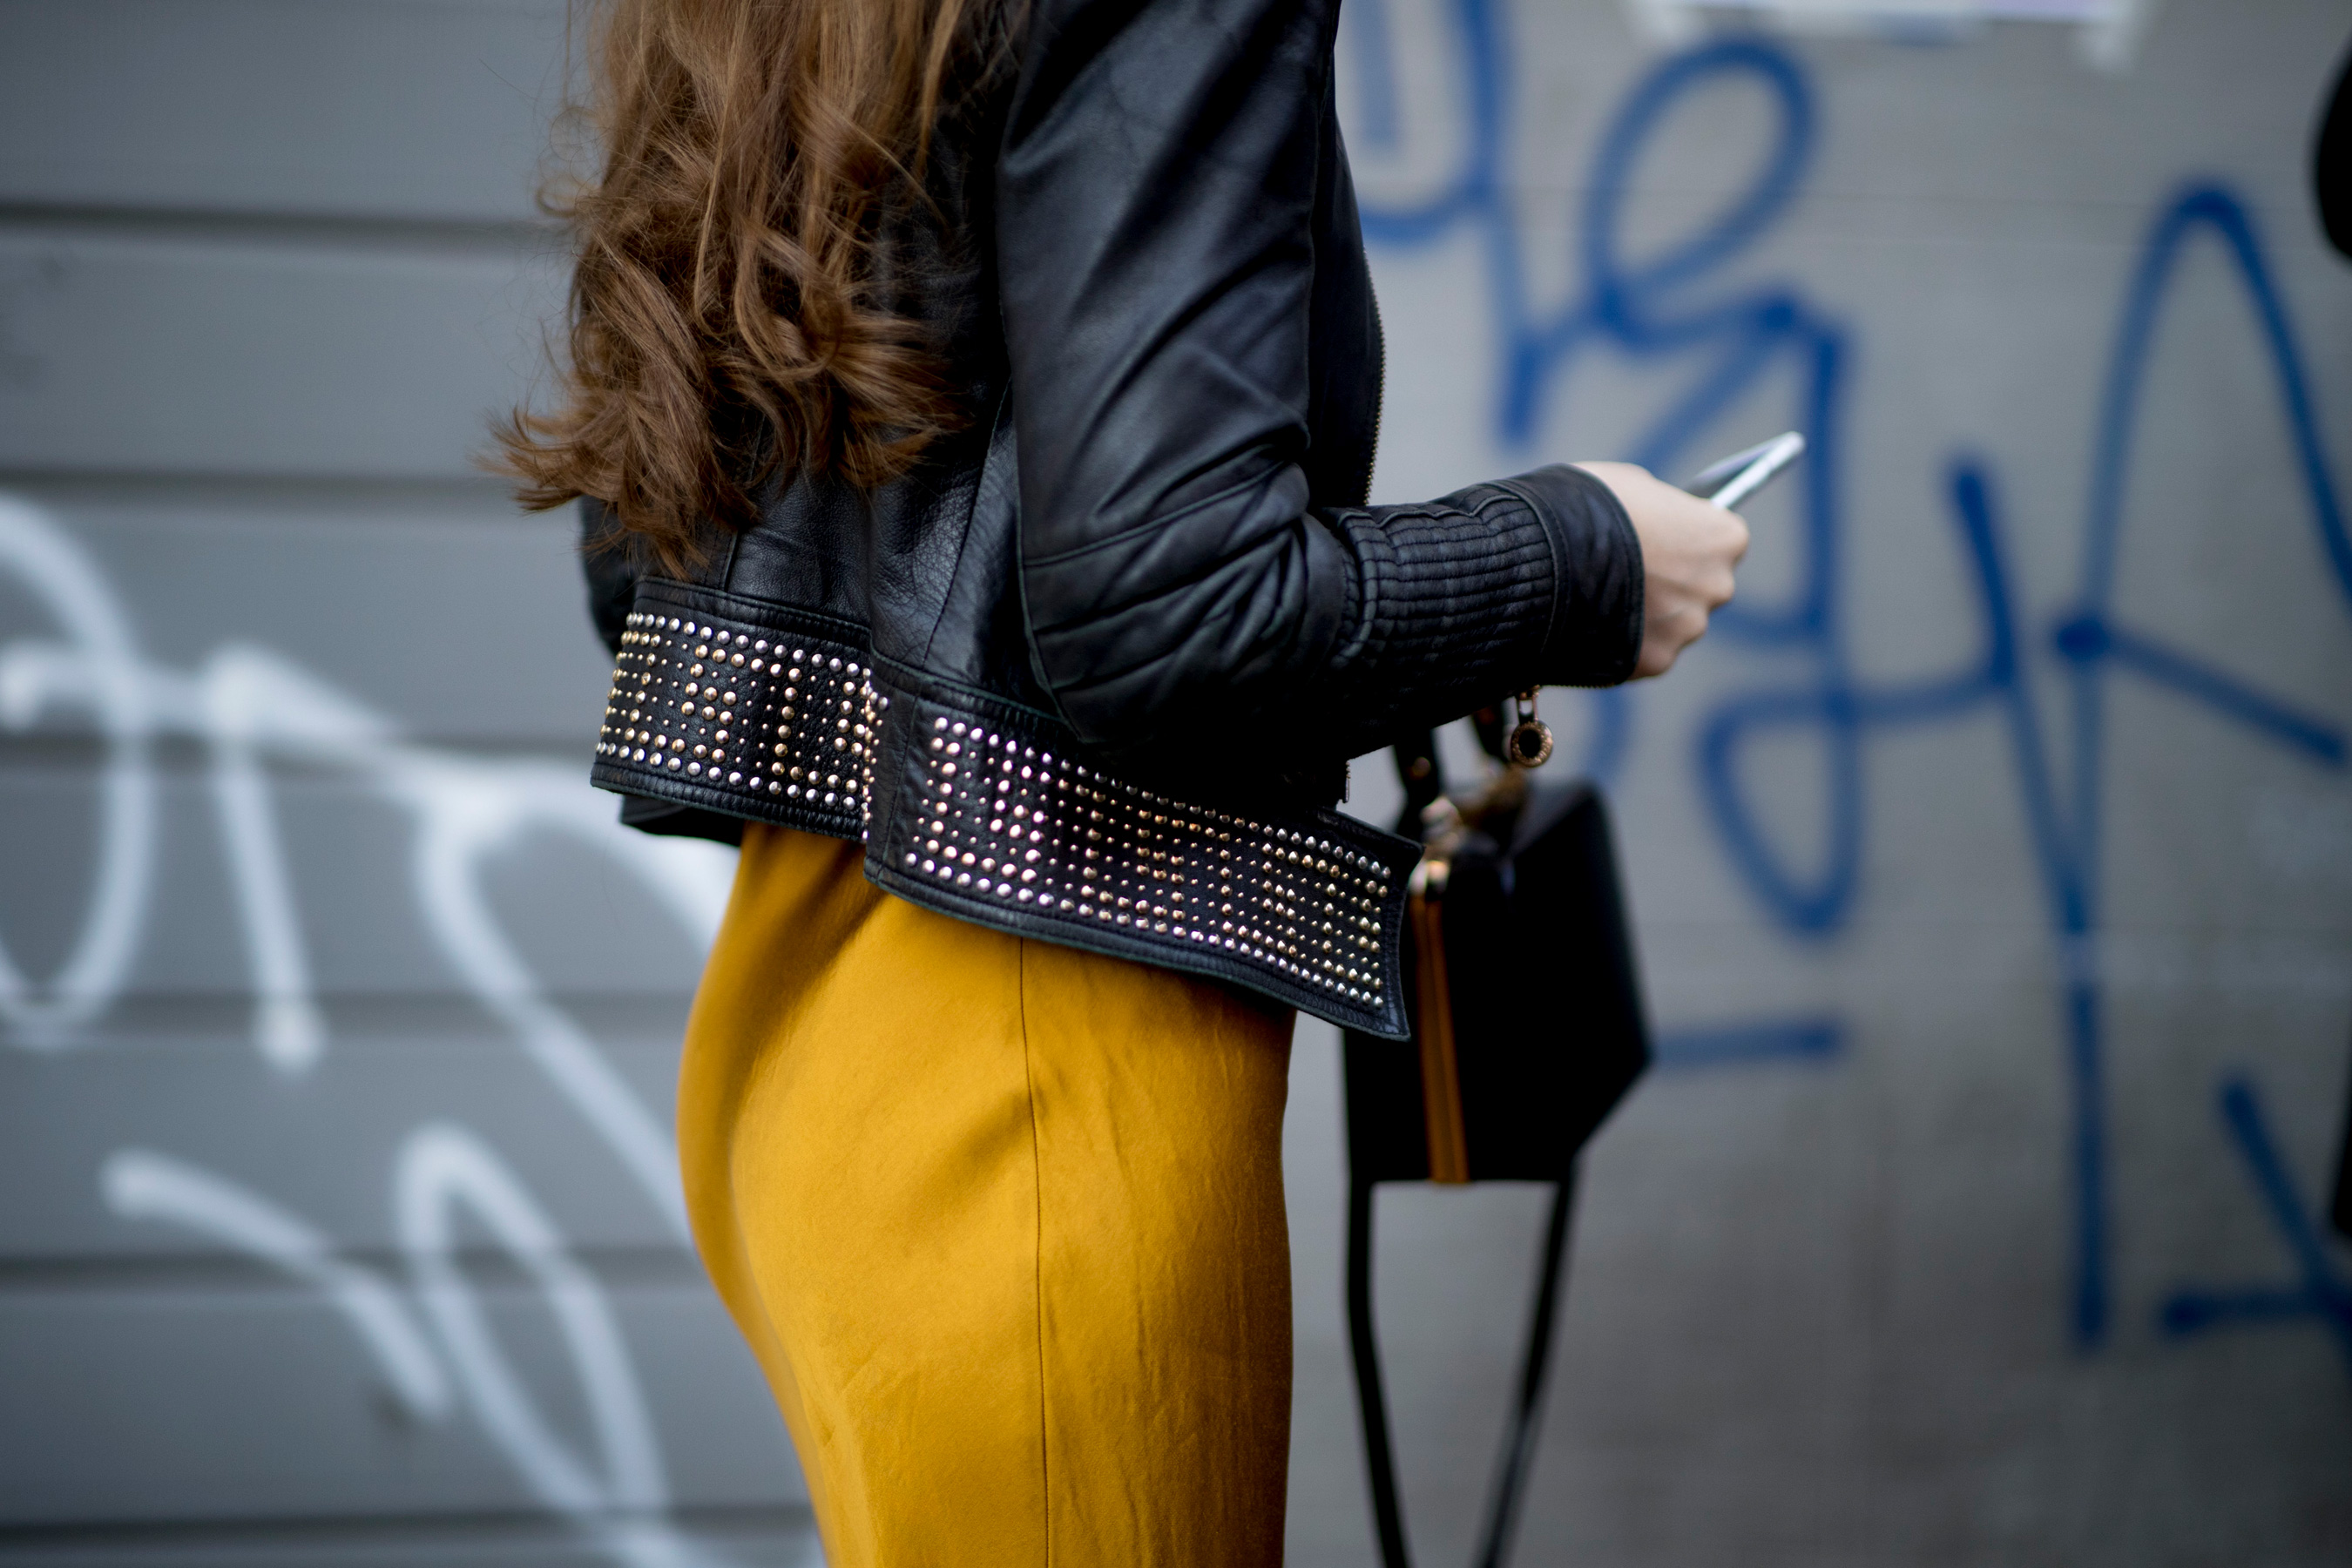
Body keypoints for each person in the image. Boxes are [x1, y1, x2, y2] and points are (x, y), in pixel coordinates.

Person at [497, 0, 1746, 1561]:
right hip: (1034, 1109)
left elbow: (645, 558)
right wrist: (1587, 560)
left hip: (800, 1055)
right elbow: (1173, 615)